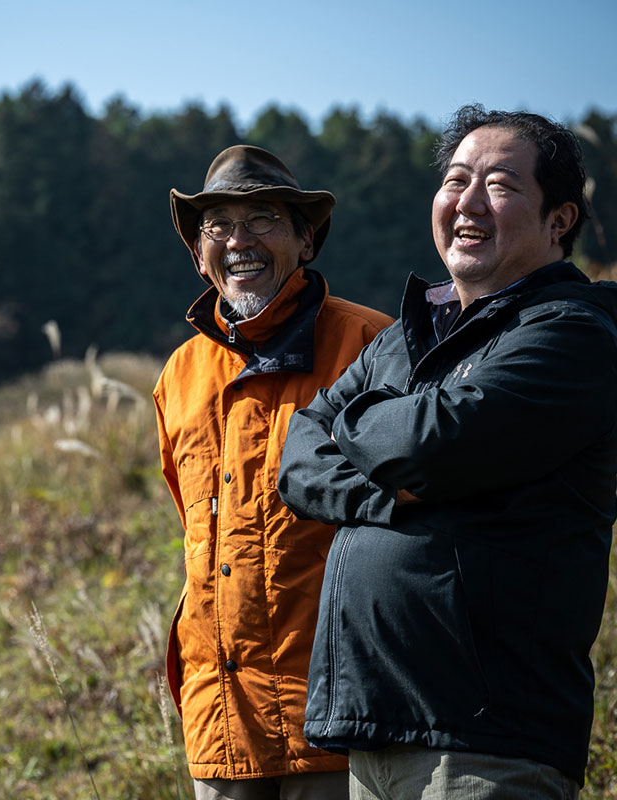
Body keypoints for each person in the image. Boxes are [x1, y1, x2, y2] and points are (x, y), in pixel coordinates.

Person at [278, 104, 617, 799]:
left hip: (484, 743)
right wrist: (387, 485)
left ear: (560, 221)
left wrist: (362, 423)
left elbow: (430, 446)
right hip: (375, 730)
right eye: (456, 180)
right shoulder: (405, 338)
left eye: (500, 185)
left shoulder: (572, 337)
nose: (468, 202)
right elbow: (298, 459)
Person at [154, 144, 393, 799]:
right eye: (218, 226)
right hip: (221, 716)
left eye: (262, 219)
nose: (239, 241)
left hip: (338, 713)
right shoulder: (178, 376)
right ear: (198, 255)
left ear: (305, 240)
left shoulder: (370, 345)